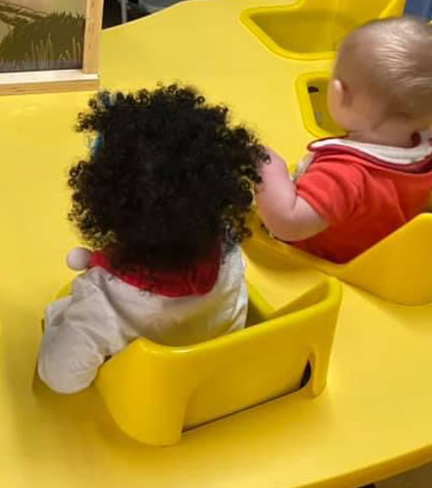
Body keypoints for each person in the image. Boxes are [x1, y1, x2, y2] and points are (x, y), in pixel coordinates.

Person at [37, 86, 266, 395]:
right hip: (214, 384)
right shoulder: (228, 249)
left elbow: (60, 379)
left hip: (142, 410)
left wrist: (55, 324)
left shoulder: (101, 302)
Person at [256, 16, 432, 263]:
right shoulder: (431, 145)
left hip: (316, 258)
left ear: (340, 94)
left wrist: (267, 166)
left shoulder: (344, 174)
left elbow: (287, 224)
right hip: (376, 246)